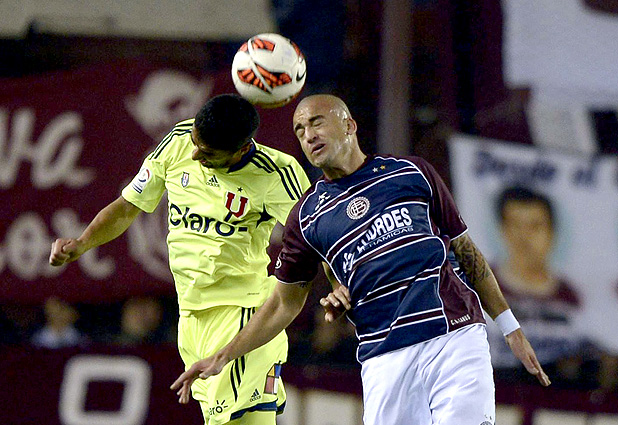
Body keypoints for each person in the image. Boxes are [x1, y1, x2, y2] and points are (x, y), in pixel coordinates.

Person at [171, 94, 551, 425]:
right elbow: (283, 304)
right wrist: (223, 356)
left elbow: (467, 252)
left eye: (317, 122)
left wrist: (510, 327)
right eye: (300, 130)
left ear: (349, 125)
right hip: (384, 356)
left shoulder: (412, 173)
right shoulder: (307, 216)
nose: (308, 135)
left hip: (454, 336)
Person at [49, 94, 311, 425]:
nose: (195, 154)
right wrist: (83, 242)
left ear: (241, 150)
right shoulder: (178, 140)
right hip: (190, 318)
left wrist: (339, 284)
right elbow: (128, 206)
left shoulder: (277, 174)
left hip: (242, 315)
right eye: (195, 143)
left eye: (208, 153)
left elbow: (317, 235)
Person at [489, 186, 590, 385]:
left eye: (534, 226)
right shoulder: (478, 287)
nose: (523, 237)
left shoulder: (574, 298)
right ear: (502, 230)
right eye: (515, 225)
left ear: (552, 233)